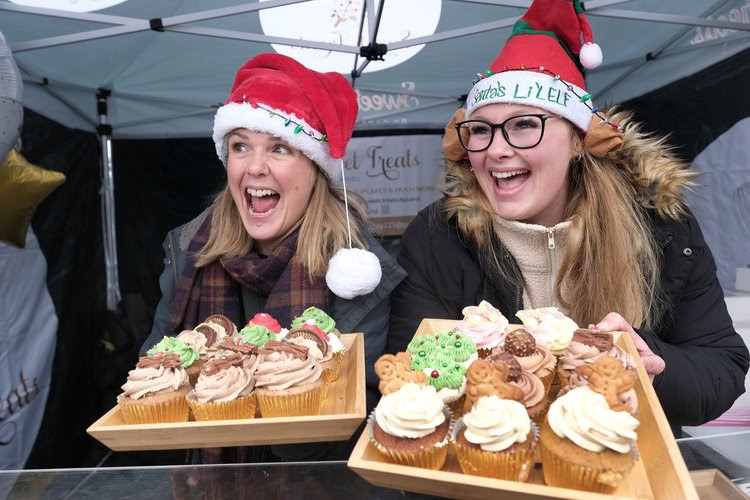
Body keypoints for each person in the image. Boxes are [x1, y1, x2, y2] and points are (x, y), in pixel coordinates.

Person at [389, 0, 749, 435]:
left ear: (579, 140)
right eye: (480, 130)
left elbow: (722, 367)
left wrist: (651, 363)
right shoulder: (436, 237)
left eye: (524, 125)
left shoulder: (662, 227)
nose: (497, 150)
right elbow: (412, 378)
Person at [142, 52, 406, 460]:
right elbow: (153, 383)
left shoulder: (357, 267)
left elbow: (359, 417)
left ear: (315, 169)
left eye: (280, 149)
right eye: (240, 146)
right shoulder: (188, 252)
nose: (255, 168)